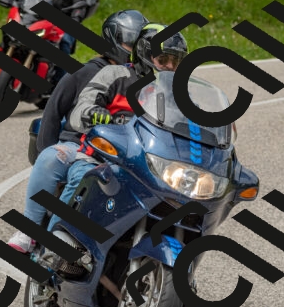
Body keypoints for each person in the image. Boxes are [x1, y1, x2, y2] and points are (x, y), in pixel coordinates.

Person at [8, 10, 149, 254]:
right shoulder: (83, 72)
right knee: (52, 158)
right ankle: (31, 231)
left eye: (138, 45)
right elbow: (53, 112)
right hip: (77, 143)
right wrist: (46, 151)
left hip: (121, 153)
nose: (133, 51)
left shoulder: (144, 80)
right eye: (129, 44)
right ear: (112, 41)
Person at [46, 23, 189, 232]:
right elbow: (81, 108)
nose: (169, 66)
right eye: (163, 59)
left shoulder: (174, 93)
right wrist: (94, 113)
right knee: (82, 178)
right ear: (145, 55)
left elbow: (187, 122)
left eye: (175, 62)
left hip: (142, 165)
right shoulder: (114, 74)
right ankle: (52, 240)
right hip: (99, 156)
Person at [39, 0, 98, 84]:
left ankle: (61, 83)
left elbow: (79, 9)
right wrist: (17, 0)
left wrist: (76, 16)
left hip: (65, 25)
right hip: (41, 21)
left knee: (64, 41)